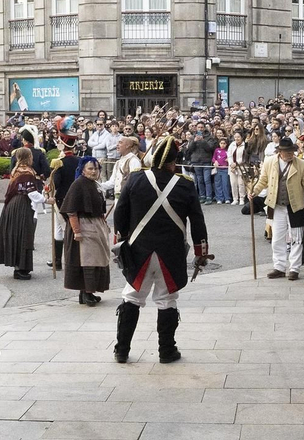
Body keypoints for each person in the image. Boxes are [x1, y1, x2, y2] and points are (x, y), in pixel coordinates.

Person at [111, 136, 209, 364]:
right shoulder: (185, 184)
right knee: (167, 300)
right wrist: (200, 251)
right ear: (174, 162)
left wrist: (123, 239)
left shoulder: (135, 180)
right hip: (170, 252)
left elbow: (120, 214)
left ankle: (121, 349)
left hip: (139, 250)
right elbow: (198, 221)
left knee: (132, 297)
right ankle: (166, 350)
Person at [249, 137, 304, 280]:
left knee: (297, 238)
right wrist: (254, 191)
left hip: (295, 205)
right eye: (287, 152)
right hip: (276, 205)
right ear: (280, 152)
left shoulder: (301, 164)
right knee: (277, 237)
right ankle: (279, 267)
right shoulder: (269, 162)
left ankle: (294, 268)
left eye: (292, 151)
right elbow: (263, 180)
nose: (290, 154)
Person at [61, 156, 111, 306]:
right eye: (90, 168)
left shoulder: (94, 184)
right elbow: (71, 211)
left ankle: (87, 293)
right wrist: (77, 231)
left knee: (95, 258)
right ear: (83, 170)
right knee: (87, 260)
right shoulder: (78, 185)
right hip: (83, 227)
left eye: (96, 168)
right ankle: (87, 293)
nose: (94, 171)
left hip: (94, 225)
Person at [0, 147, 40, 279]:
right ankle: (20, 269)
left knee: (16, 234)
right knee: (23, 234)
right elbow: (31, 192)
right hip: (21, 204)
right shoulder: (27, 171)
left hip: (13, 203)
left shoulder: (16, 169)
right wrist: (46, 200)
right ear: (28, 157)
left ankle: (19, 267)